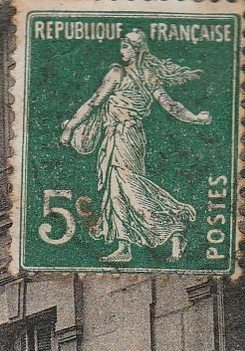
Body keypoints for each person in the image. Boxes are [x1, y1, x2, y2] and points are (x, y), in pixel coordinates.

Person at [60, 29, 212, 264]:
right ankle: (125, 245)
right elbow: (171, 106)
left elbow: (93, 102)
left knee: (129, 188)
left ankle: (174, 227)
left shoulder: (117, 73)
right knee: (116, 190)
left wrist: (71, 128)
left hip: (123, 136)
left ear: (136, 50)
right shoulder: (148, 76)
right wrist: (196, 118)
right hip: (129, 136)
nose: (122, 48)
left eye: (127, 44)